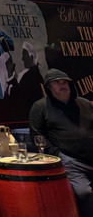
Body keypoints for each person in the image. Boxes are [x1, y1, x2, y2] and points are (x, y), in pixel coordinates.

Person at [29, 69, 93, 216]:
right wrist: (58, 154)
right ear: (48, 87)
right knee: (84, 193)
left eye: (64, 82)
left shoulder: (84, 103)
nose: (62, 85)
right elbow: (37, 136)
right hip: (71, 161)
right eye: (56, 82)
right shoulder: (40, 107)